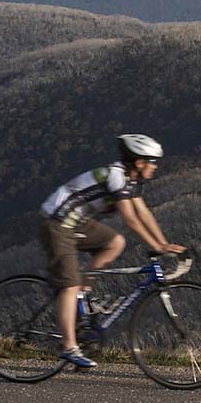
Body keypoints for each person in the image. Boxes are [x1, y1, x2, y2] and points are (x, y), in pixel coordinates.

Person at [38, 133, 185, 369]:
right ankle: (69, 347)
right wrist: (156, 247)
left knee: (115, 242)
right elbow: (131, 220)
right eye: (153, 162)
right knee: (68, 284)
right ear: (139, 162)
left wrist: (164, 244)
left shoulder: (131, 180)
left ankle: (83, 292)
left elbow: (144, 213)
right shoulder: (116, 177)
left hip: (75, 221)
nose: (156, 167)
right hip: (56, 222)